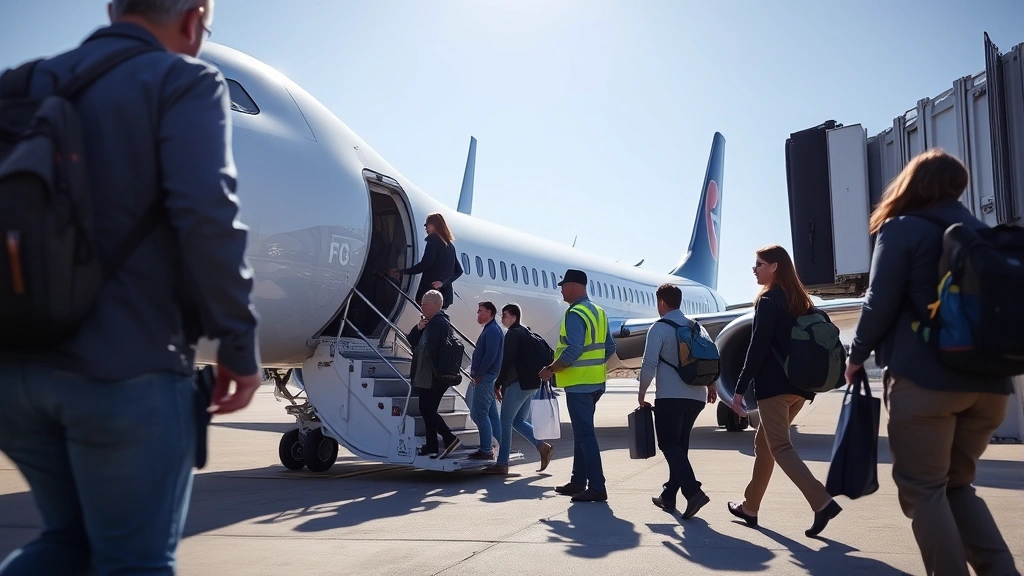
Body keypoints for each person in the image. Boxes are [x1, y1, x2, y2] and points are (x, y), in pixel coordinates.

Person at [0, 1, 261, 574]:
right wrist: (239, 348)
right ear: (194, 19)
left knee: (65, 544)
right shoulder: (183, 81)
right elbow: (206, 217)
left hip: (16, 374)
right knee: (131, 562)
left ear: (114, 9)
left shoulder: (20, 83)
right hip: (124, 372)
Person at [845, 149, 1018, 576]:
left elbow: (878, 302)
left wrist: (855, 356)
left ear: (912, 183)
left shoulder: (901, 228)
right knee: (957, 485)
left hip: (926, 383)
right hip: (991, 386)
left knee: (923, 490)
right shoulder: (982, 233)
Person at [726, 245, 841, 537]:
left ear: (775, 267)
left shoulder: (768, 300)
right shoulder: (801, 301)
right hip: (800, 388)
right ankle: (750, 507)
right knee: (764, 444)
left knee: (780, 447)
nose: (755, 269)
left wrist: (739, 390)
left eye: (759, 264)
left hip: (774, 388)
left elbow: (758, 347)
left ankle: (822, 502)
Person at [638, 284, 715, 519]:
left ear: (661, 302)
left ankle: (693, 492)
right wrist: (711, 384)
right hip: (697, 396)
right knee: (679, 447)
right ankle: (669, 495)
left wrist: (641, 394)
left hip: (671, 397)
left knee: (669, 445)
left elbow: (649, 364)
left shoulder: (659, 328)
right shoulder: (696, 326)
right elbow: (712, 357)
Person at [540, 269, 615, 503]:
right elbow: (610, 348)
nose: (561, 290)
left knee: (585, 435)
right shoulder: (598, 312)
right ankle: (577, 481)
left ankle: (597, 487)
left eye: (563, 285)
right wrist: (592, 367)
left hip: (580, 385)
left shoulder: (575, 313)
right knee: (582, 434)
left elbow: (574, 349)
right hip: (595, 384)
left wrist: (550, 369)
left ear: (574, 286)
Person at [481, 303, 555, 475]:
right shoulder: (528, 333)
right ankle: (542, 447)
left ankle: (502, 463)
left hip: (518, 385)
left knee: (505, 422)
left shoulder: (513, 335)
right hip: (532, 385)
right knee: (518, 421)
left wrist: (498, 383)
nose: (502, 319)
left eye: (505, 315)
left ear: (514, 316)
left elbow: (506, 362)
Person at [407, 290, 462, 459]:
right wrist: (419, 327)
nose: (421, 306)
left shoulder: (438, 324)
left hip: (433, 376)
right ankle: (431, 445)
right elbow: (411, 340)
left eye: (424, 304)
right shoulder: (430, 323)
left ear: (434, 305)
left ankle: (449, 438)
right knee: (427, 409)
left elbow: (433, 351)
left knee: (427, 409)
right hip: (429, 376)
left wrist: (433, 373)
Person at [390, 212, 463, 309]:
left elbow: (425, 264)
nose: (425, 227)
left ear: (434, 225)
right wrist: (443, 283)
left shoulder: (433, 241)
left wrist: (402, 272)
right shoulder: (450, 246)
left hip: (430, 293)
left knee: (429, 320)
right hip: (445, 295)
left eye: (427, 224)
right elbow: (459, 271)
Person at [466, 301, 503, 460]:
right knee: (491, 415)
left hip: (486, 378)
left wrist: (479, 374)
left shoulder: (492, 331)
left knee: (479, 414)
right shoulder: (491, 329)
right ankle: (497, 446)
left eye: (480, 311)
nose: (478, 314)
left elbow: (491, 355)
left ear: (490, 313)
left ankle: (486, 449)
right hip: (488, 377)